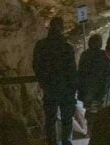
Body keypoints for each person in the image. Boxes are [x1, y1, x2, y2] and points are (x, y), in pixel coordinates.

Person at [33, 17, 77, 145]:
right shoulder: (66, 47)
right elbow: (71, 70)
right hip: (65, 88)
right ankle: (66, 142)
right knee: (67, 119)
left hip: (50, 87)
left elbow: (36, 65)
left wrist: (43, 81)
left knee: (50, 119)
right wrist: (73, 88)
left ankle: (52, 142)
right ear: (61, 29)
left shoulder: (41, 46)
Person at [77, 34, 110, 135]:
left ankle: (92, 136)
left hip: (87, 94)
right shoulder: (102, 56)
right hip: (100, 94)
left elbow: (80, 73)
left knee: (91, 117)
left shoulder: (84, 55)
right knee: (100, 120)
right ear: (100, 44)